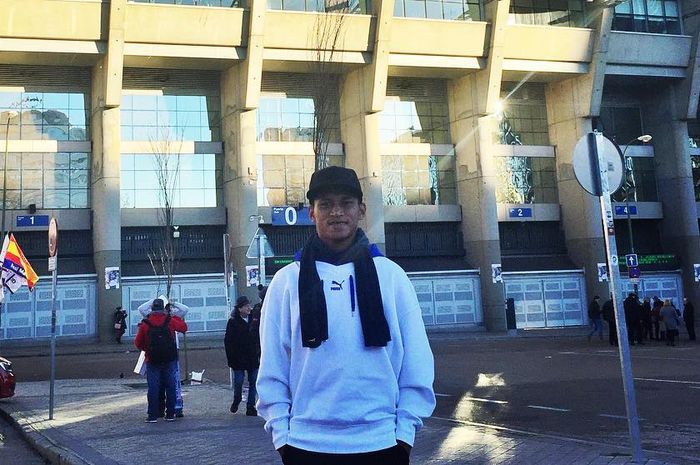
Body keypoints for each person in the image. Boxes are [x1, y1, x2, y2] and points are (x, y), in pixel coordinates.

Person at [256, 166, 436, 465]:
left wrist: (404, 434)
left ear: (361, 210)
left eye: (346, 203)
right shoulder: (287, 281)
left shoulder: (391, 277)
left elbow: (416, 360)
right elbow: (272, 364)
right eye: (325, 204)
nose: (336, 212)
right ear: (311, 213)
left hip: (382, 442)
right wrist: (282, 436)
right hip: (305, 445)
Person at [134, 298, 187, 423]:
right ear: (163, 308)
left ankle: (152, 415)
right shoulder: (170, 320)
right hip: (170, 359)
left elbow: (138, 343)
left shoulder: (145, 323)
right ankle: (170, 414)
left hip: (152, 359)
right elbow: (184, 328)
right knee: (171, 386)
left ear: (152, 308)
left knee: (153, 387)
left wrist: (147, 349)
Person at [225, 295, 261, 416]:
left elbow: (258, 336)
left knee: (253, 381)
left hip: (252, 357)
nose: (249, 308)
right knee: (239, 381)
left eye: (249, 305)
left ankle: (251, 406)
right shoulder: (233, 322)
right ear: (240, 308)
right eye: (246, 306)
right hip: (238, 359)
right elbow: (228, 342)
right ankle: (237, 399)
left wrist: (258, 350)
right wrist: (231, 358)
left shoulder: (254, 319)